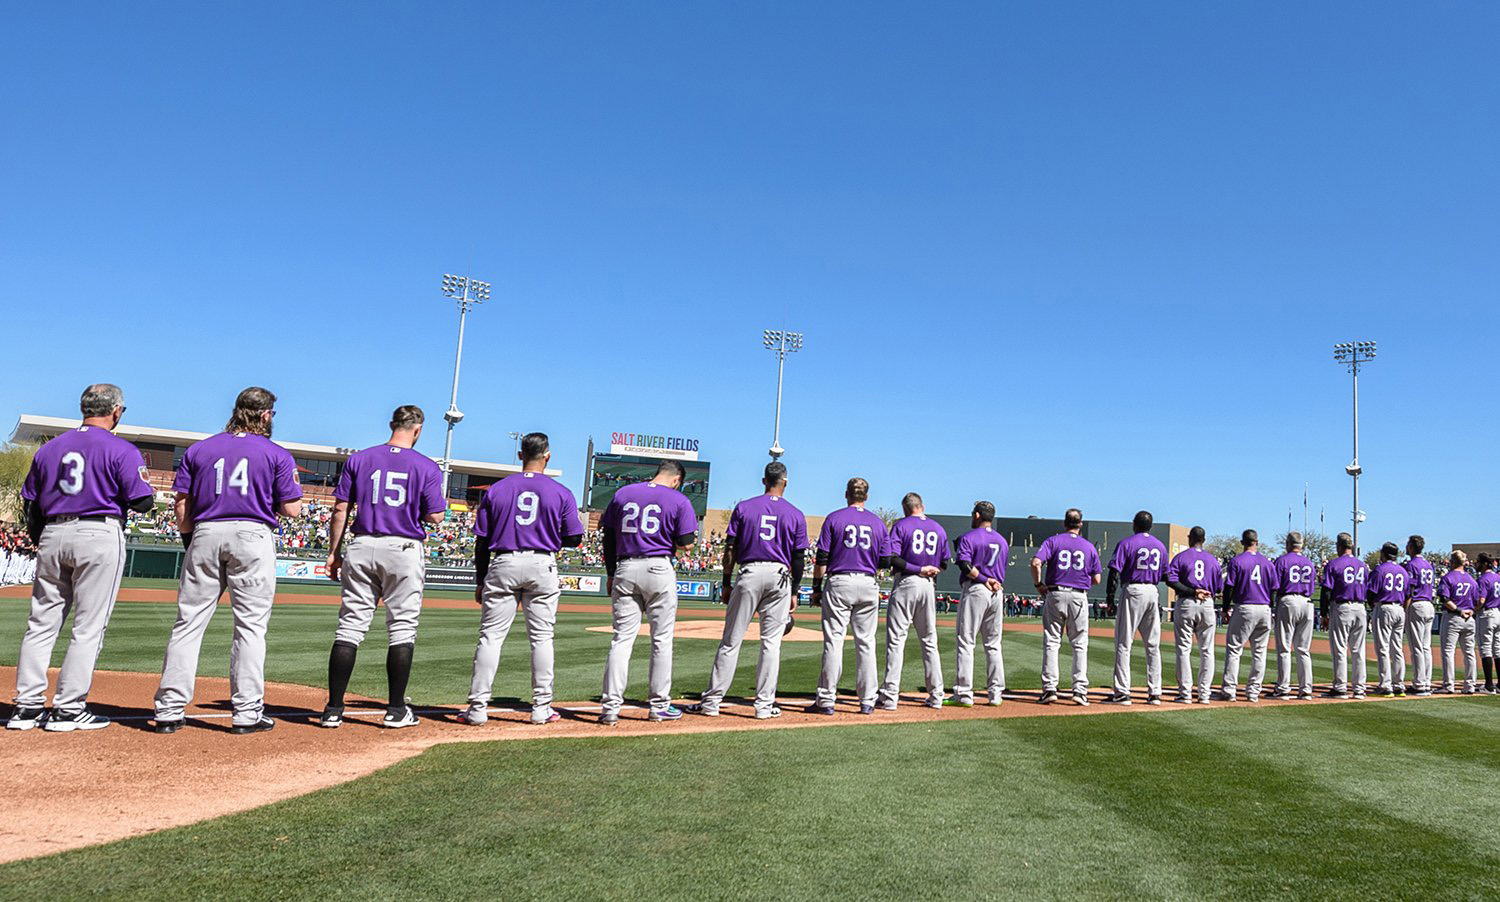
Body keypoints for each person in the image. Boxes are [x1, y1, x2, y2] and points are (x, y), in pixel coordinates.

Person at [154, 387, 303, 734]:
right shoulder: (276, 453)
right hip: (252, 534)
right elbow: (292, 509)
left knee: (188, 624)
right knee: (250, 628)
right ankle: (247, 713)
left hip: (206, 531)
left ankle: (168, 710)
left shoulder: (200, 449)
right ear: (265, 415)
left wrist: (191, 540)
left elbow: (181, 507)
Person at [7, 384, 154, 732]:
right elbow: (143, 502)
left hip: (53, 532)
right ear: (116, 411)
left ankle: (26, 707)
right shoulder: (121, 449)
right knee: (88, 626)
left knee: (40, 624)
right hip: (98, 532)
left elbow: (31, 504)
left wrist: (41, 539)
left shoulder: (50, 449)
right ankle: (68, 708)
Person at [319, 405, 446, 729]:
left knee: (350, 627)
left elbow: (340, 509)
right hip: (402, 547)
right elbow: (436, 516)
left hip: (362, 544)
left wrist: (334, 553)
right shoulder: (426, 466)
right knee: (402, 628)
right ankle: (395, 710)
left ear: (392, 425)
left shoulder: (359, 459)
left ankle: (333, 709)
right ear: (417, 430)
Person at [464, 432, 584, 725]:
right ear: (548, 455)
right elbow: (575, 538)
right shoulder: (561, 492)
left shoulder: (497, 489)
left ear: (520, 455)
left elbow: (481, 541)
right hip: (541, 562)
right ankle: (541, 707)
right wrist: (547, 533)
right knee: (542, 638)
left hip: (503, 560)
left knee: (491, 638)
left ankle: (477, 708)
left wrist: (480, 580)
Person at [689, 461, 808, 719]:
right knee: (771, 645)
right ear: (785, 482)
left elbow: (730, 548)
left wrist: (726, 581)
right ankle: (764, 706)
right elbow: (798, 558)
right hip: (779, 576)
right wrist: (796, 591)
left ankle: (711, 702)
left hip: (750, 572)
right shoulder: (796, 513)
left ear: (764, 480)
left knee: (731, 640)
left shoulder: (744, 507)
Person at [598, 459, 699, 725]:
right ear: (676, 479)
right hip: (658, 568)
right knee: (661, 640)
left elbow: (608, 536)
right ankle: (659, 706)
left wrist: (610, 573)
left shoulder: (623, 493)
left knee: (621, 640)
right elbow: (686, 541)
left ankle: (610, 708)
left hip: (625, 566)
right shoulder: (678, 500)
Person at [807, 478, 890, 716]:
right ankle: (867, 701)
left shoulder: (834, 518)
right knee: (866, 642)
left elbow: (822, 557)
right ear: (867, 496)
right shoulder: (877, 522)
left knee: (834, 640)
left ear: (846, 494)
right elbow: (885, 561)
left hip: (840, 580)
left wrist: (815, 587)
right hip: (867, 582)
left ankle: (826, 700)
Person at [876, 492, 949, 710]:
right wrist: (931, 569)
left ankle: (890, 696)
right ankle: (936, 695)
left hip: (907, 582)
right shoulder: (938, 528)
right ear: (922, 506)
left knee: (897, 641)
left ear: (906, 509)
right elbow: (945, 561)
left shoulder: (901, 525)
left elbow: (893, 559)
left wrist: (918, 568)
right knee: (929, 641)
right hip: (928, 586)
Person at [1030, 508, 1101, 706]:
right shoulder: (1088, 547)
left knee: (1052, 641)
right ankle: (1079, 691)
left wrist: (1038, 585)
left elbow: (1036, 563)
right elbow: (1097, 578)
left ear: (1065, 523)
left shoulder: (1053, 541)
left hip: (1055, 592)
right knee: (1079, 644)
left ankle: (1050, 689)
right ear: (1080, 524)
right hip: (1079, 595)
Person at [1103, 511, 1167, 706]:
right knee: (1153, 645)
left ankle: (1122, 692)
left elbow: (1114, 572)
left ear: (1134, 524)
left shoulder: (1127, 543)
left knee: (1124, 643)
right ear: (1151, 525)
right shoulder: (1160, 545)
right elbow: (1166, 575)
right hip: (1153, 591)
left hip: (1133, 589)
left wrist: (1110, 599)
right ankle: (1155, 692)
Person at [950, 501, 1008, 707]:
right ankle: (995, 694)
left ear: (977, 515)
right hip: (997, 591)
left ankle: (964, 693)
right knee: (993, 644)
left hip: (977, 588)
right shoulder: (1002, 541)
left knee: (966, 641)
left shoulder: (968, 537)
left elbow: (965, 565)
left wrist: (983, 579)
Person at [1213, 529, 1279, 702]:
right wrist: (1270, 609)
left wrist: (1225, 608)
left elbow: (1229, 587)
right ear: (1257, 542)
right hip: (1264, 608)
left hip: (1245, 607)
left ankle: (1229, 691)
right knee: (1259, 652)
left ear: (1243, 543)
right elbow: (1274, 590)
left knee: (1234, 650)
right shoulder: (1268, 563)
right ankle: (1253, 692)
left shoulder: (1237, 561)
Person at [1165, 527, 1223, 704]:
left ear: (1190, 538)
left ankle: (1185, 693)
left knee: (1183, 648)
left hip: (1187, 602)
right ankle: (1204, 694)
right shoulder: (1213, 560)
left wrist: (1192, 590)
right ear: (1204, 540)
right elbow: (1219, 588)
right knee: (1207, 651)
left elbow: (1170, 579)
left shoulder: (1181, 557)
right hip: (1207, 604)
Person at [1319, 532, 1369, 699]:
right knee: (1358, 650)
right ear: (1352, 546)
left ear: (1338, 546)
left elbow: (1326, 591)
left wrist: (1324, 613)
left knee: (1340, 648)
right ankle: (1359, 688)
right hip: (1360, 607)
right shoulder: (1362, 565)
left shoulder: (1333, 564)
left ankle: (1340, 687)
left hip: (1342, 607)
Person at [1270, 533, 1318, 700]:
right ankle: (1306, 689)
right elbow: (1312, 586)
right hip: (1306, 601)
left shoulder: (1282, 560)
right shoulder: (1309, 563)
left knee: (1284, 648)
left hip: (1288, 600)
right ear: (1302, 545)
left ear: (1288, 544)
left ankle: (1283, 688)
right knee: (1303, 649)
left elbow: (1275, 585)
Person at [1366, 542, 1410, 697]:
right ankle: (1399, 685)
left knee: (1383, 648)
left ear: (1383, 554)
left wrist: (1373, 606)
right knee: (1397, 648)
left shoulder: (1380, 569)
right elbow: (1408, 595)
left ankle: (1386, 685)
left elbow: (1371, 593)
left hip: (1384, 607)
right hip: (1399, 608)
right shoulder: (1403, 571)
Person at [1403, 536, 1437, 696]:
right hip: (1429, 604)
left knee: (1416, 646)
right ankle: (1426, 681)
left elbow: (1410, 590)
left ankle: (1419, 684)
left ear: (1411, 547)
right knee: (1425, 647)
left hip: (1417, 604)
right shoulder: (1429, 565)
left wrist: (1405, 609)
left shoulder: (1411, 564)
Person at [1479, 554, 1500, 694]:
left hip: (1487, 614)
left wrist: (1471, 611)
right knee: (1498, 649)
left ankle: (1488, 685)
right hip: (1498, 612)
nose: (1476, 564)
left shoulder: (1483, 579)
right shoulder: (1498, 578)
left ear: (1485, 564)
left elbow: (1481, 600)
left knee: (1486, 648)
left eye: (1478, 562)